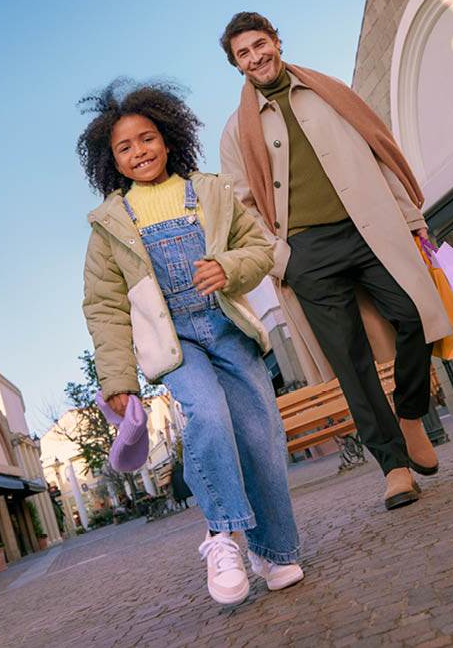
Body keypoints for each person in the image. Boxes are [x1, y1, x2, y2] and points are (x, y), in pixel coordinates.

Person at [78, 78, 302, 605]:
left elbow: (261, 249)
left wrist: (227, 267)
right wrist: (116, 379)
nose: (139, 152)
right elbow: (105, 308)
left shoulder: (211, 192)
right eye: (125, 147)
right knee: (207, 413)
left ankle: (271, 550)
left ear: (168, 137)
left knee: (259, 432)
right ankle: (221, 535)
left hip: (226, 325)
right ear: (110, 160)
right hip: (175, 341)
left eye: (147, 138)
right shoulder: (109, 225)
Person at [219, 12, 452, 511]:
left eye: (260, 44)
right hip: (307, 253)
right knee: (351, 362)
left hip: (370, 229)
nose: (256, 57)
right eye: (243, 53)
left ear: (277, 41)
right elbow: (240, 207)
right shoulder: (236, 133)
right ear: (236, 65)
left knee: (416, 317)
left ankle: (410, 418)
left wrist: (411, 217)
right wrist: (283, 260)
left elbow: (377, 154)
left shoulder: (330, 93)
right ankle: (392, 467)